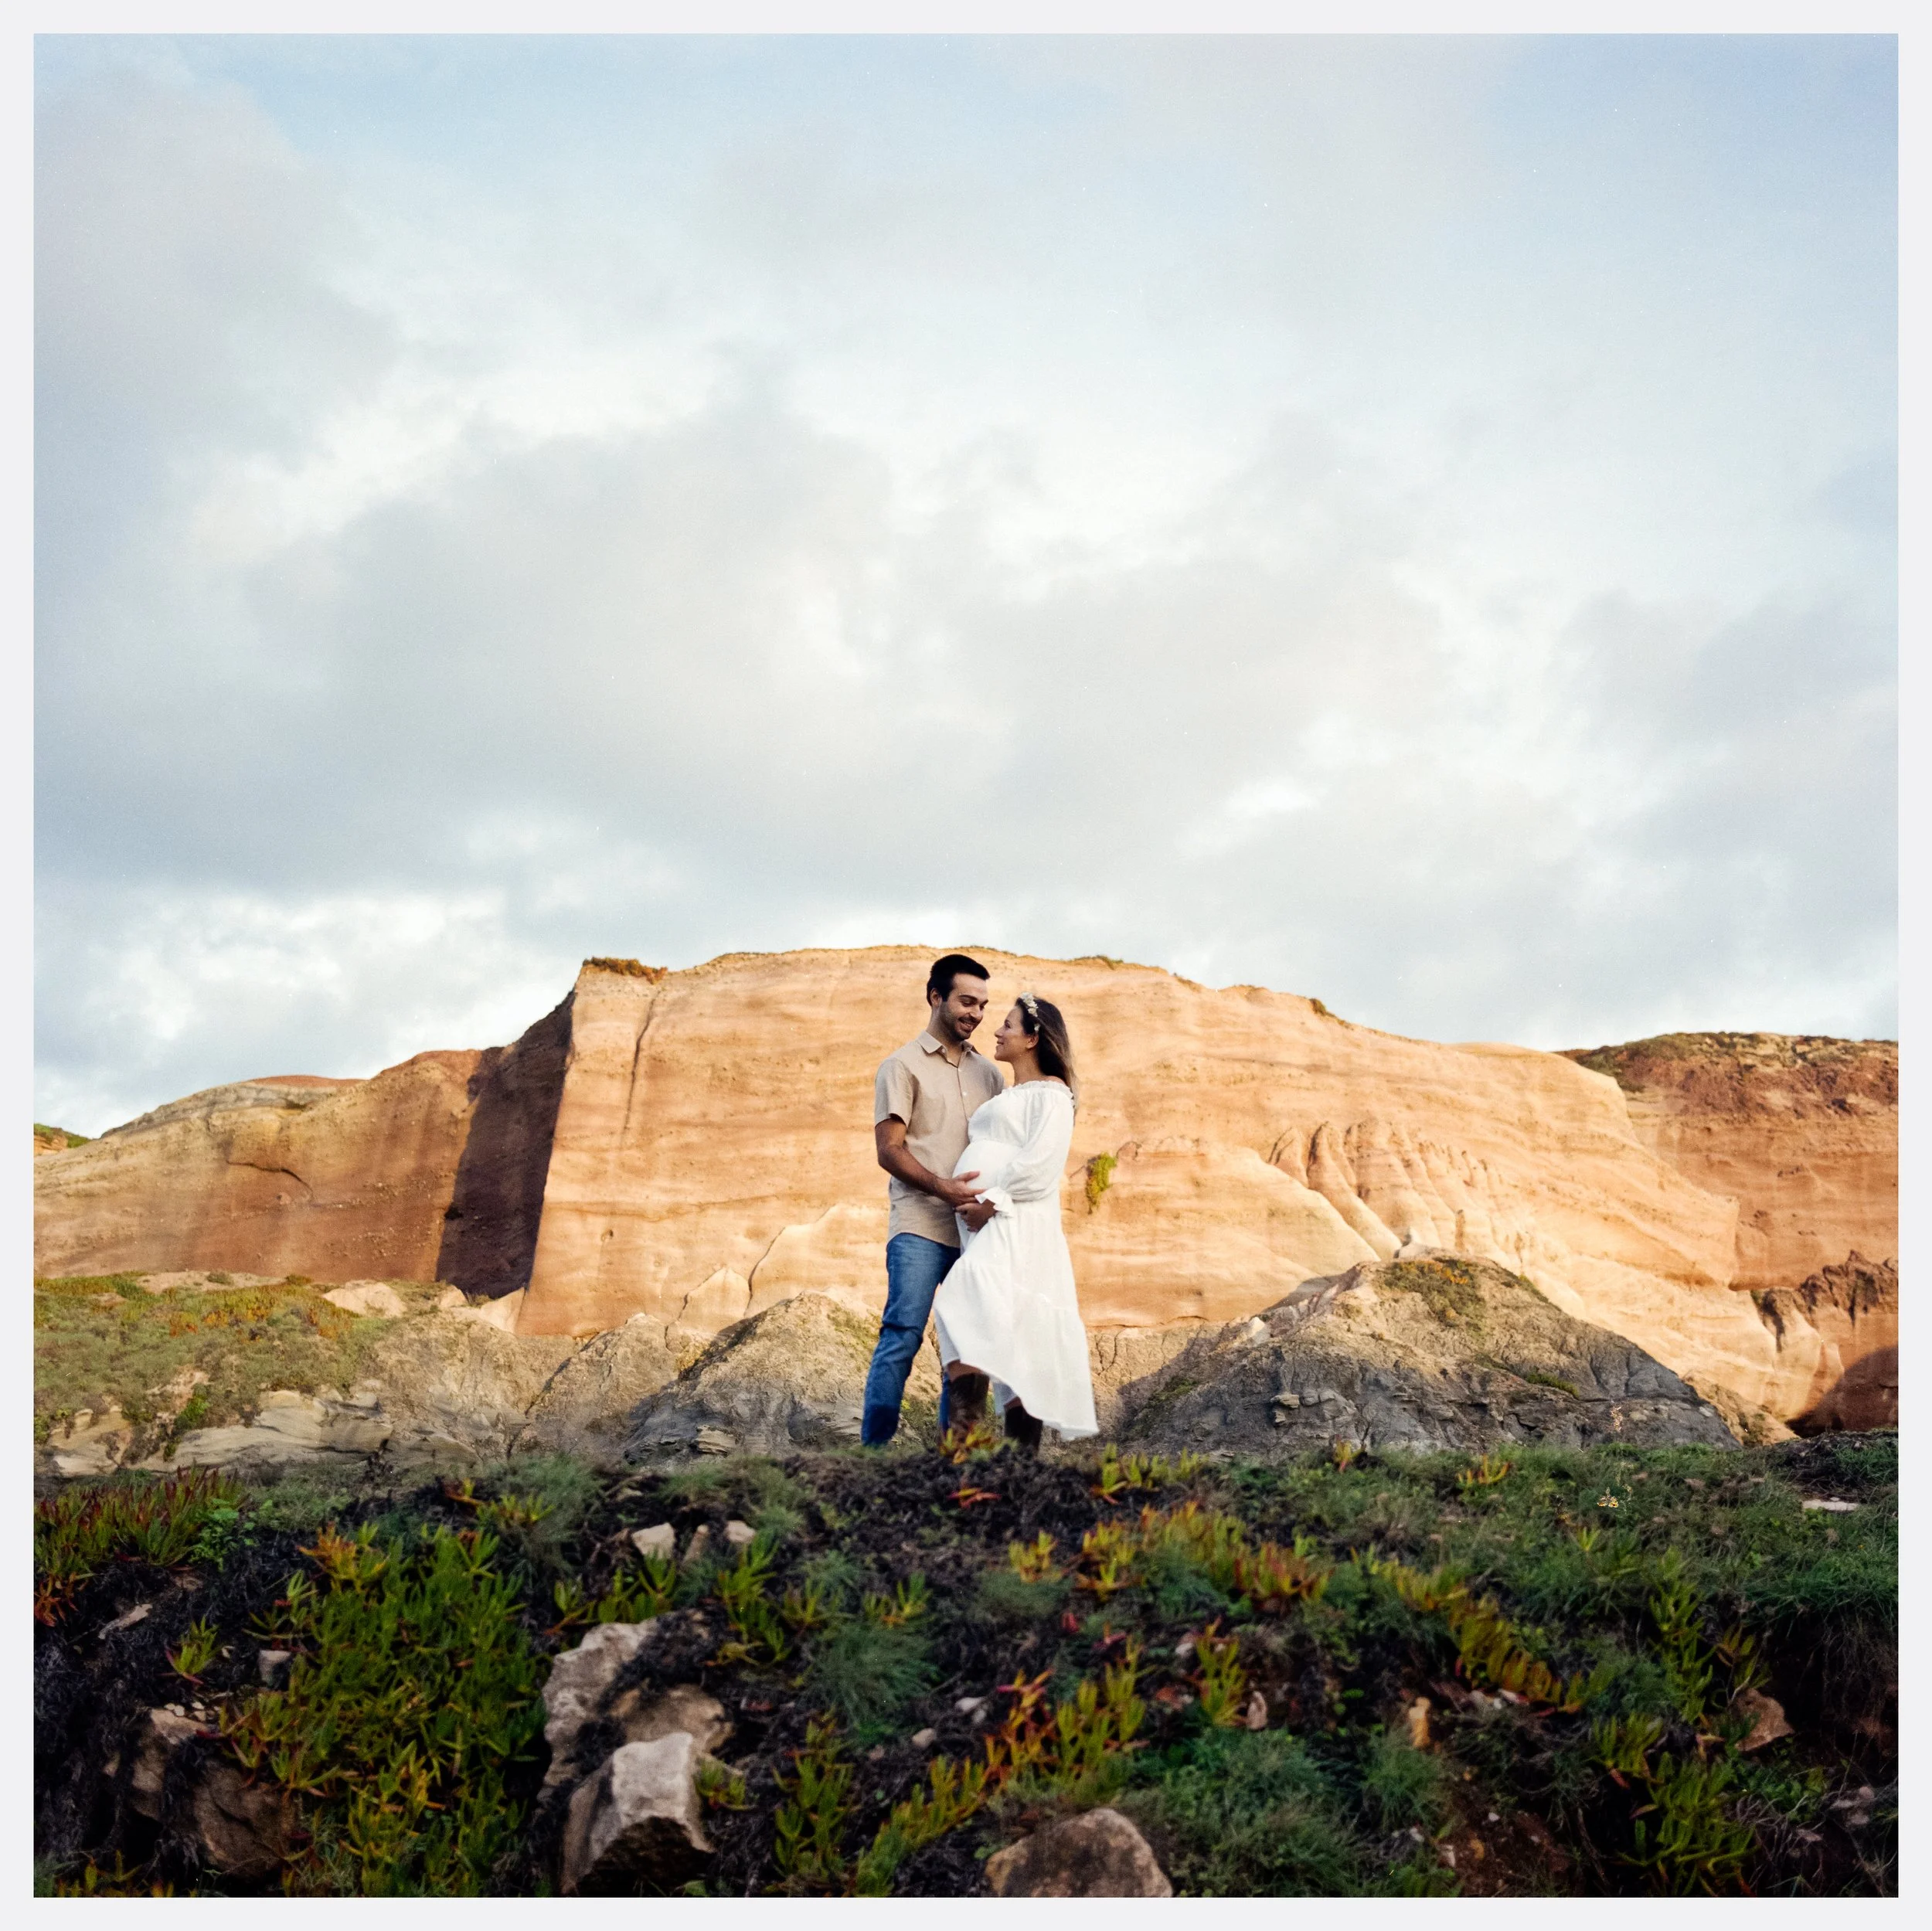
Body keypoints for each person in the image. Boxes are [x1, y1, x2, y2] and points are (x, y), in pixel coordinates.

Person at [934, 992, 1097, 1452]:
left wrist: (990, 1202)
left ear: (1033, 1038)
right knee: (985, 1322)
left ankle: (1013, 1461)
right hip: (989, 1225)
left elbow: (1041, 1166)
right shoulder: (1011, 1094)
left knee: (978, 1309)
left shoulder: (1052, 1094)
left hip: (1016, 1222)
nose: (998, 1031)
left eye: (1008, 1024)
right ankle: (964, 1454)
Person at [862, 954, 1007, 1447]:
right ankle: (873, 1455)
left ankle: (957, 1457)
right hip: (920, 1226)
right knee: (902, 1335)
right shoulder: (900, 1067)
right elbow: (889, 1152)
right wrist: (944, 1188)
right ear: (935, 997)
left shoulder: (991, 1075)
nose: (977, 1014)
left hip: (976, 1231)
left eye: (984, 1005)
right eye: (967, 1001)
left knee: (970, 1343)